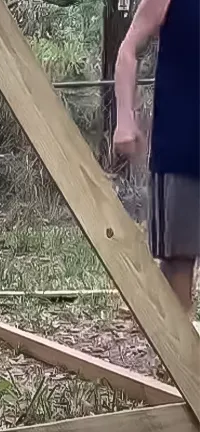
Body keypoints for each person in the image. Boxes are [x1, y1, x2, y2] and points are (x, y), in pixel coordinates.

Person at [113, 0, 199, 321]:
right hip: (180, 148)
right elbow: (127, 50)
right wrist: (125, 118)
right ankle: (177, 362)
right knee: (178, 260)